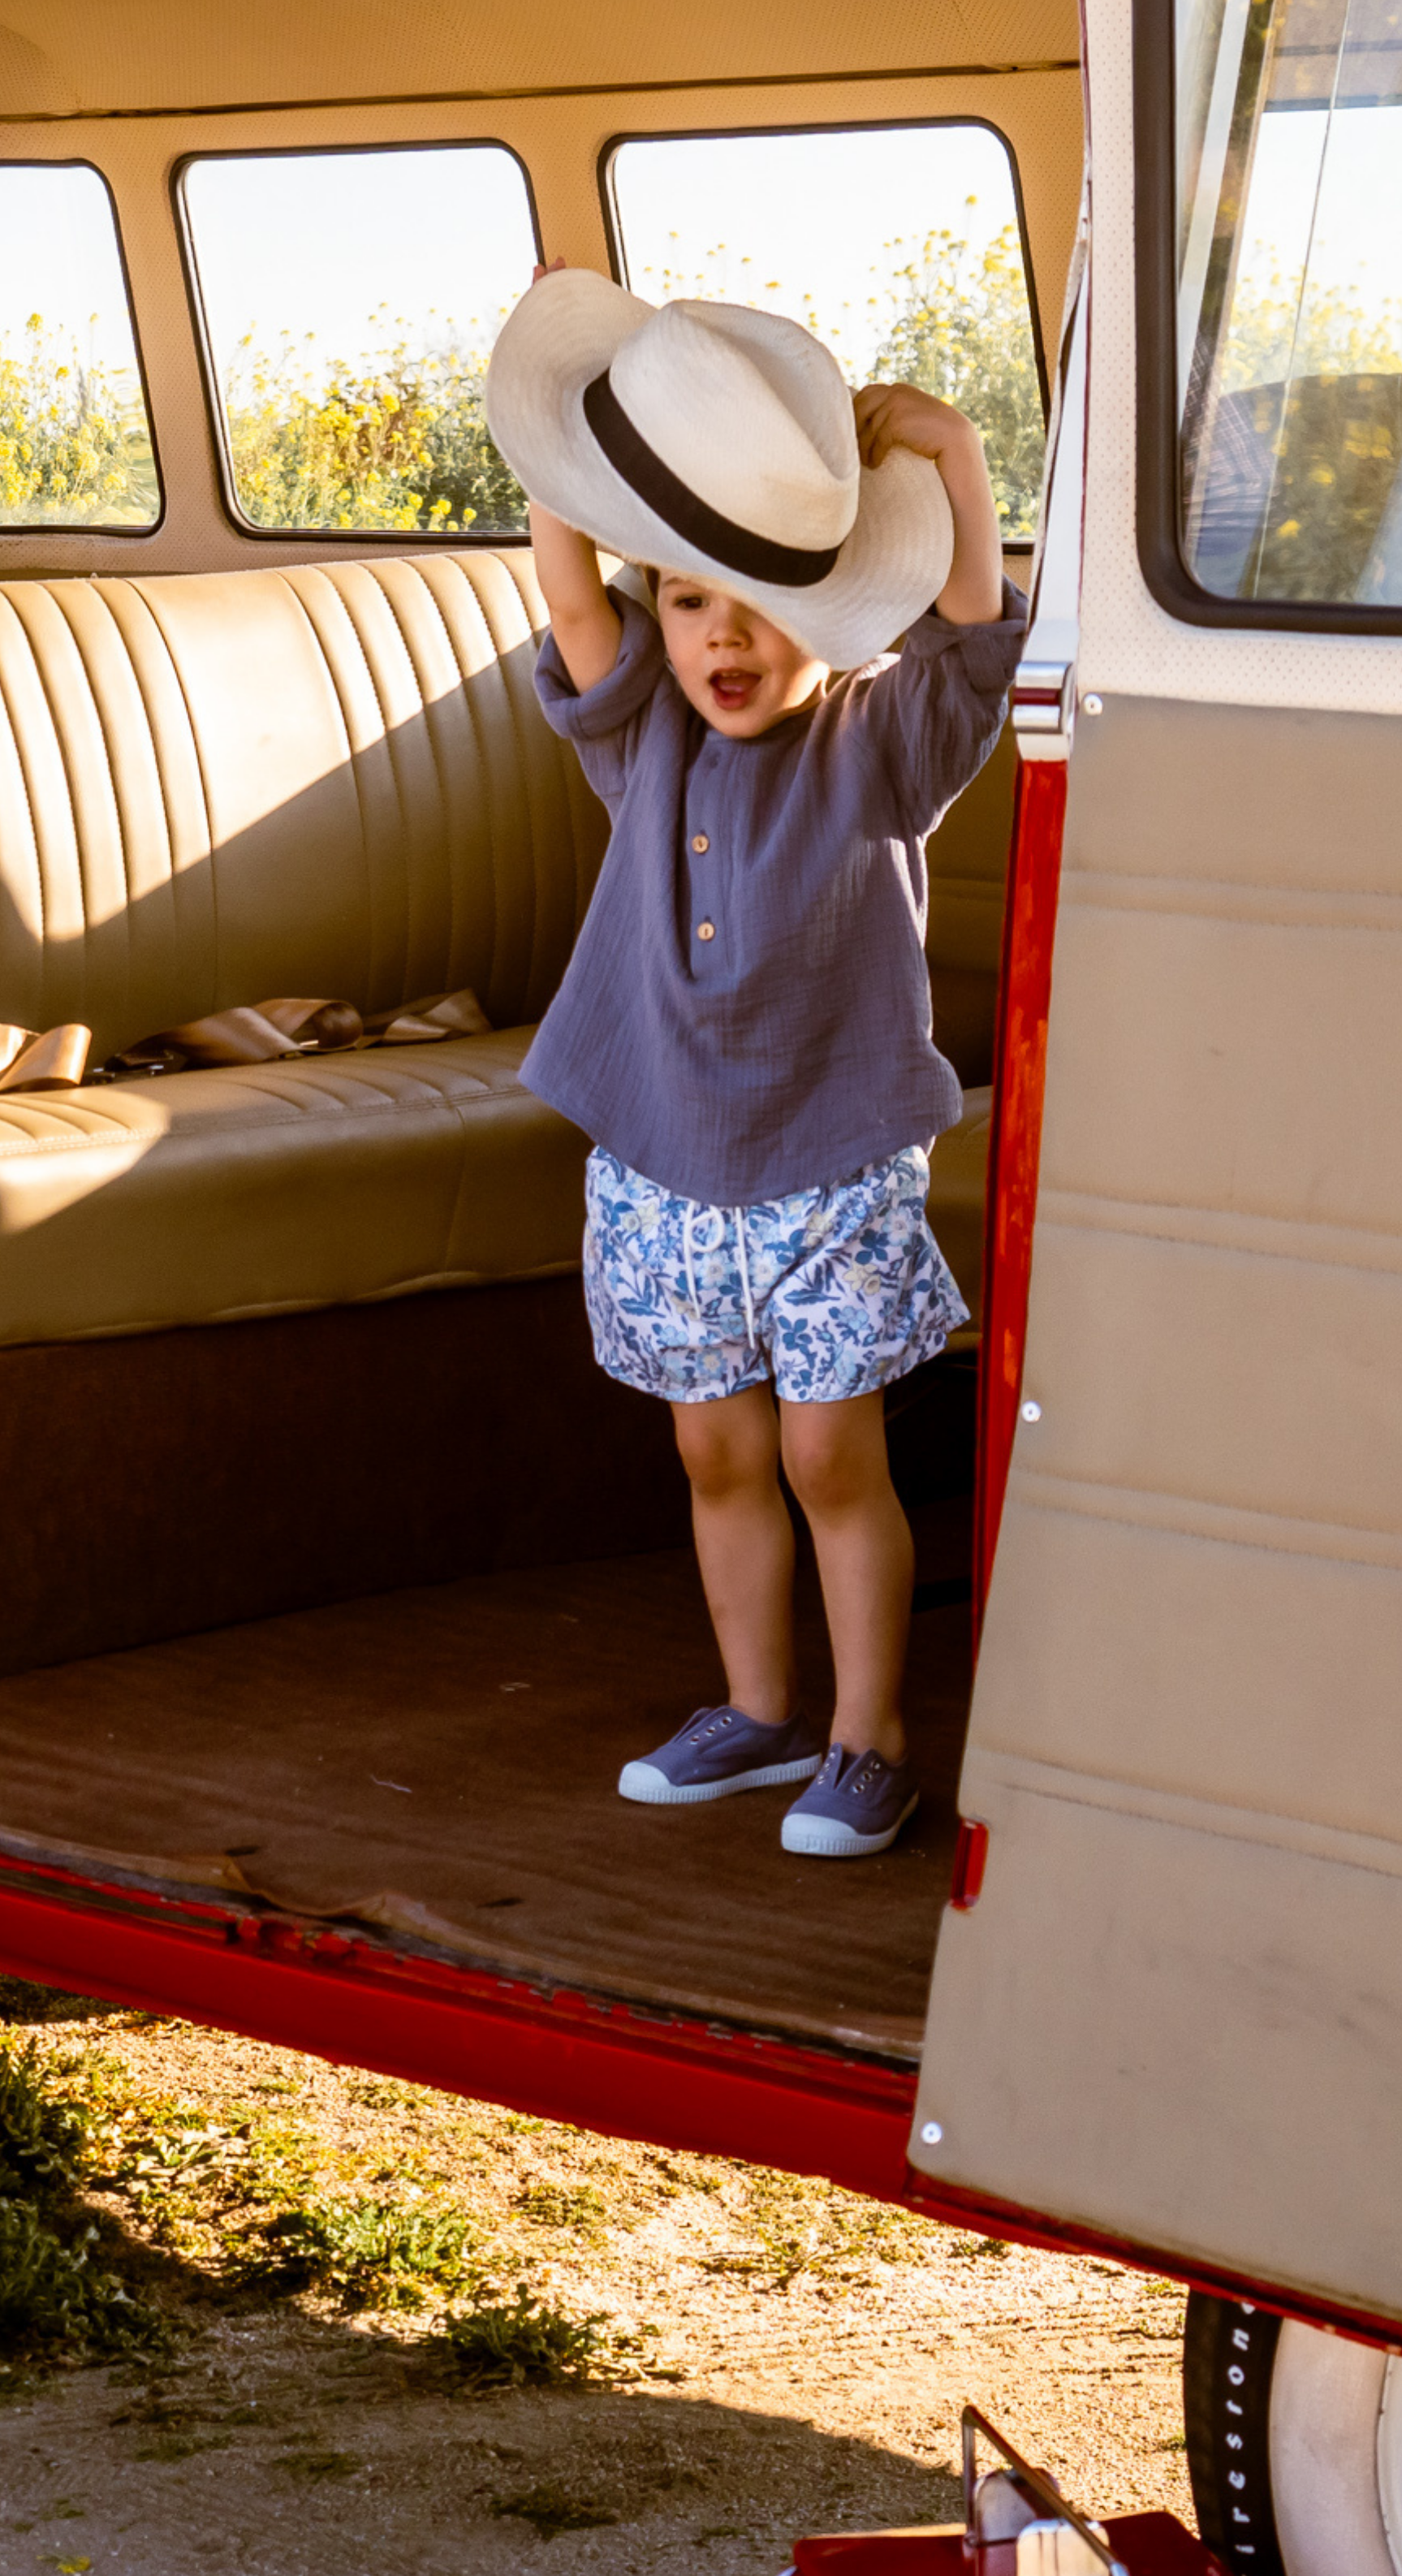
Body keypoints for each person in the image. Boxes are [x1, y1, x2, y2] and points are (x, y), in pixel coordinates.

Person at [482, 265, 1027, 1859]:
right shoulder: (640, 729)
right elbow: (573, 600)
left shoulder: (876, 746)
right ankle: (754, 1710)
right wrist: (567, 461)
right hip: (657, 1161)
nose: (719, 638)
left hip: (829, 1159)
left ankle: (866, 1737)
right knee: (714, 1446)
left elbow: (974, 651)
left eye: (759, 605)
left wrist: (949, 455)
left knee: (820, 1449)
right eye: (687, 600)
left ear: (829, 615)